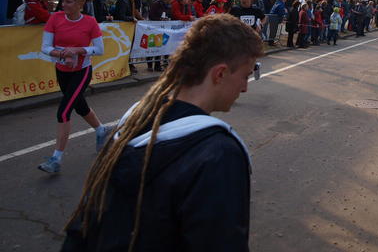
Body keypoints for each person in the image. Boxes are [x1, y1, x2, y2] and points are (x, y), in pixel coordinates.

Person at [62, 15, 263, 251]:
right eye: (245, 75)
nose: (245, 87)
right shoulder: (218, 154)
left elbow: (86, 221)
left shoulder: (136, 118)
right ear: (219, 74)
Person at [37, 0, 110, 174]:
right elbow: (45, 47)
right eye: (63, 1)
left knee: (64, 111)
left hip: (81, 71)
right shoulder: (55, 18)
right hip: (62, 70)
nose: (64, 4)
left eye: (68, 2)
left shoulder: (90, 22)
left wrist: (77, 51)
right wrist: (62, 54)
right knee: (80, 106)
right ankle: (101, 130)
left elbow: (99, 49)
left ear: (80, 4)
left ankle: (56, 159)